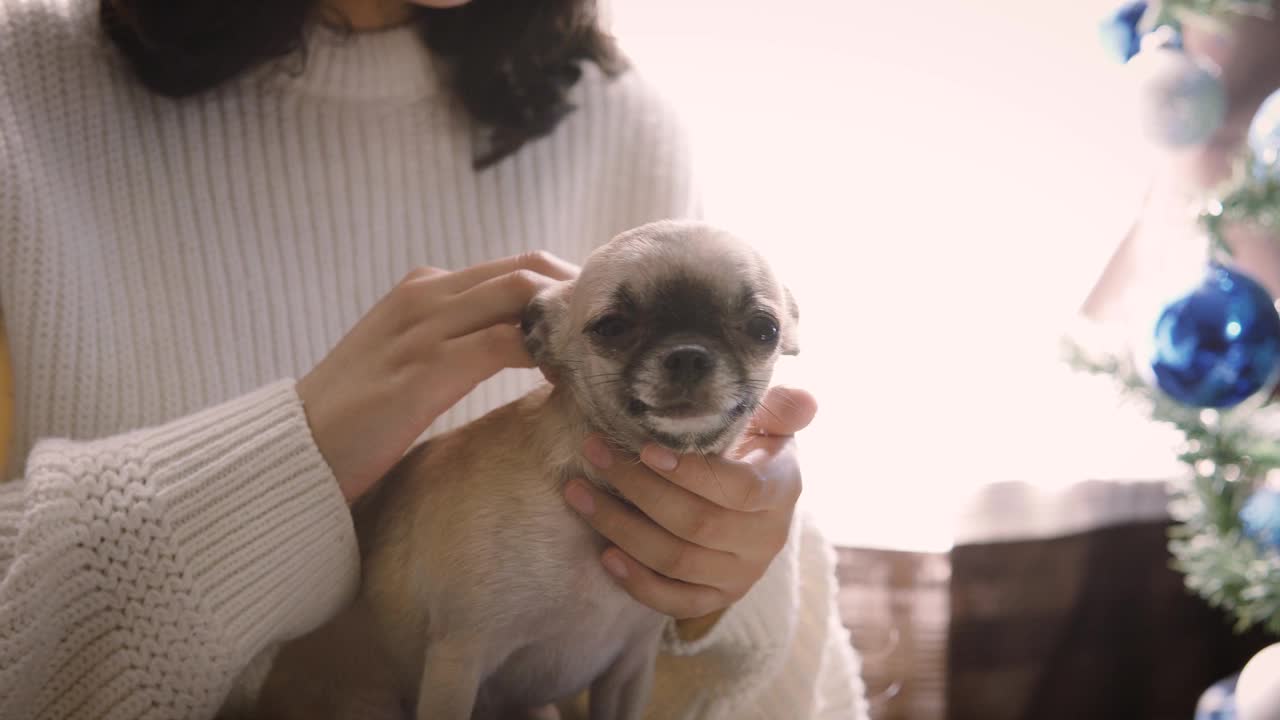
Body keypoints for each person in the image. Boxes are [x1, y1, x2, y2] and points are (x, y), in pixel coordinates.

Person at [0, 0, 868, 718]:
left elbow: (797, 688)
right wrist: (274, 469)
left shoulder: (625, 123)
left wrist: (725, 582)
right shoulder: (22, 87)